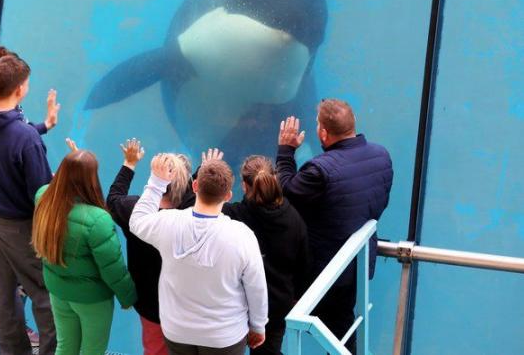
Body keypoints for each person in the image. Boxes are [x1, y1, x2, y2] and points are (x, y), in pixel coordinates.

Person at [276, 99, 393, 353]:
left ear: (323, 132)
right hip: (356, 265)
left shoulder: (320, 170)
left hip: (322, 273)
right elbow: (378, 202)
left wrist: (286, 151)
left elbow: (286, 193)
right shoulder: (381, 156)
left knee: (275, 313)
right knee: (342, 329)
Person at [130, 153, 268, 355]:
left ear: (194, 187)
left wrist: (157, 182)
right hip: (224, 335)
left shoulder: (168, 222)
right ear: (228, 195)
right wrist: (258, 326)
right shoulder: (242, 236)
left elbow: (137, 220)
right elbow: (256, 288)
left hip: (177, 331)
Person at [0, 54, 57, 355]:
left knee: (3, 291)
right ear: (19, 90)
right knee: (45, 292)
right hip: (19, 228)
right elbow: (42, 194)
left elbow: (6, 136)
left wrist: (44, 125)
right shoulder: (26, 139)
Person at [32, 149, 137, 355]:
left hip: (58, 292)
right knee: (92, 351)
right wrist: (128, 297)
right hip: (92, 300)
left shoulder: (43, 197)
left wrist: (75, 160)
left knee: (65, 346)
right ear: (91, 179)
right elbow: (112, 269)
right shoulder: (98, 220)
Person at [107, 139, 195, 355]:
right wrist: (200, 173)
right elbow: (197, 199)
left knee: (154, 350)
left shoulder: (133, 211)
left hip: (150, 305)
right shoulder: (192, 217)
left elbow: (114, 198)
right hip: (185, 307)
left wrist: (129, 163)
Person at [218, 151, 310, 355]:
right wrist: (295, 298)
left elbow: (197, 207)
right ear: (274, 179)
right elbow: (303, 267)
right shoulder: (295, 219)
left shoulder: (232, 217)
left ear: (244, 185)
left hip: (237, 307)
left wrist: (204, 172)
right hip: (276, 307)